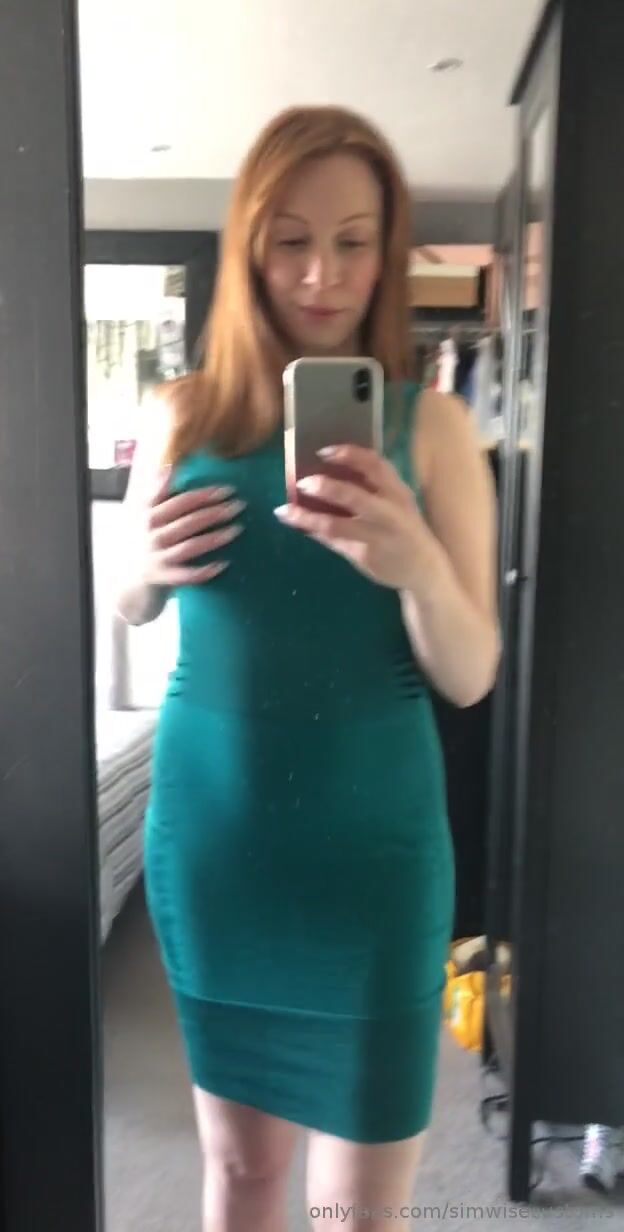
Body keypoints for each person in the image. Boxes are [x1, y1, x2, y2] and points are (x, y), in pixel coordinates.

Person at [116, 105, 500, 1232]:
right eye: (290, 240)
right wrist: (136, 566)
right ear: (248, 249)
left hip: (374, 863)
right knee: (239, 1171)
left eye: (353, 240)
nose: (322, 272)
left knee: (358, 1210)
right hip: (217, 845)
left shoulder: (433, 429)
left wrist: (417, 565)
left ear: (387, 253)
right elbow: (130, 604)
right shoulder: (180, 414)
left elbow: (472, 672)